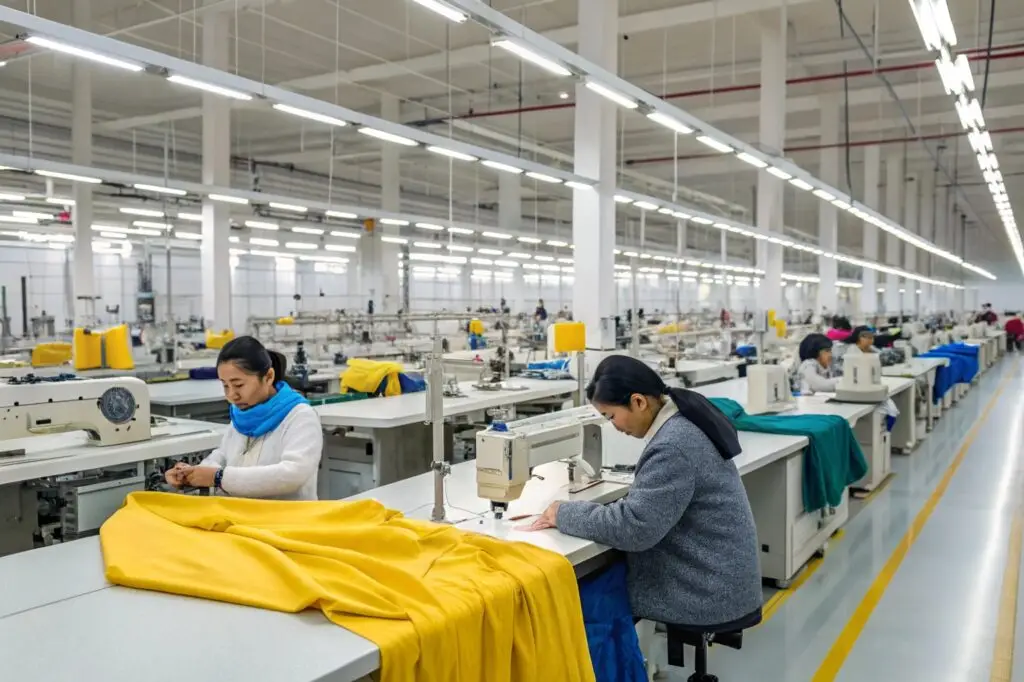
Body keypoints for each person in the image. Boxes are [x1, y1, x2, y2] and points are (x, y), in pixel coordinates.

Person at [525, 356, 762, 629]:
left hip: (705, 592)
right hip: (718, 576)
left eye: (611, 416)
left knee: (575, 600)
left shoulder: (672, 446)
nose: (614, 426)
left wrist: (562, 512)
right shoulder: (683, 421)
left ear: (638, 402)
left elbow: (634, 529)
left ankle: (617, 657)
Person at [165, 336, 323, 500]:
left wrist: (219, 477)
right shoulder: (242, 415)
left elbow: (293, 475)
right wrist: (193, 473)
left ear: (268, 377)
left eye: (238, 385)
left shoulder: (300, 416)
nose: (231, 395)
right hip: (240, 511)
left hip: (285, 515)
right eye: (225, 385)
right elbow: (222, 456)